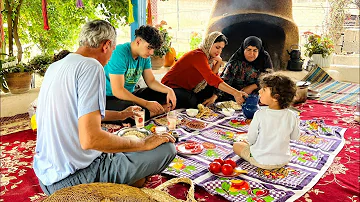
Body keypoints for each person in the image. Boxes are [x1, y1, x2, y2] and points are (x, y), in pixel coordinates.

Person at [33, 20, 177, 195]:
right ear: (106, 45)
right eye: (112, 49)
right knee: (166, 148)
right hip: (74, 179)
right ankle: (122, 183)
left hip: (46, 178)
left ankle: (127, 180)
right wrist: (142, 144)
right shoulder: (91, 66)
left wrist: (121, 115)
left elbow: (78, 116)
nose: (110, 56)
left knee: (119, 141)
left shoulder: (55, 67)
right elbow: (91, 140)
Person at [104, 25, 176, 120]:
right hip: (110, 97)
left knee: (162, 94)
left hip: (130, 95)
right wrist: (146, 103)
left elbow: (151, 81)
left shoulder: (144, 56)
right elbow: (118, 91)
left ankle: (149, 112)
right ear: (138, 41)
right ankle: (154, 112)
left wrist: (169, 90)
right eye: (149, 48)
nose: (151, 53)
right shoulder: (119, 53)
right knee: (131, 111)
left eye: (153, 49)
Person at [161, 31, 247, 109]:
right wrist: (235, 93)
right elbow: (211, 78)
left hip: (186, 89)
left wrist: (219, 61)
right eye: (217, 47)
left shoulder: (209, 59)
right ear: (209, 43)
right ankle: (165, 104)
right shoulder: (198, 55)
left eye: (221, 48)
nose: (219, 51)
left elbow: (214, 78)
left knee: (212, 92)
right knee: (192, 102)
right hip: (170, 87)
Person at [233, 73, 300, 170]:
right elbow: (295, 137)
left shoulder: (260, 114)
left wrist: (251, 145)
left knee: (237, 145)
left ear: (275, 97)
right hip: (283, 161)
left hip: (260, 160)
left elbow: (251, 139)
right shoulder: (292, 115)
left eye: (264, 90)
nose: (259, 91)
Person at [203, 36, 273, 106]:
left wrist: (253, 86)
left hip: (258, 96)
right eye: (248, 49)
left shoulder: (264, 58)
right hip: (236, 96)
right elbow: (225, 80)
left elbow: (270, 78)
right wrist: (214, 97)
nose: (251, 54)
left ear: (259, 50)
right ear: (243, 49)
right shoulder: (236, 61)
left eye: (255, 50)